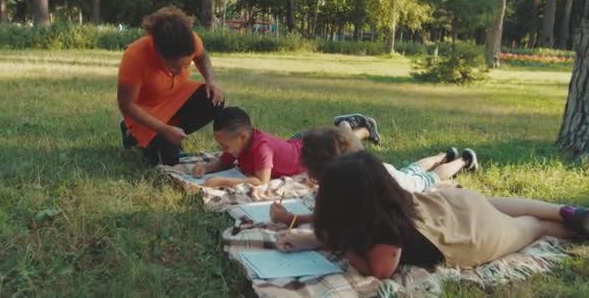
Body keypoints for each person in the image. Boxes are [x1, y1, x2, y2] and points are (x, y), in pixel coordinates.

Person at [276, 151, 589, 279]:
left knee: (529, 228)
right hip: (453, 207)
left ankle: (570, 228)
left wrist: (336, 245)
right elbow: (341, 232)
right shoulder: (389, 202)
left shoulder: (383, 232)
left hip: (468, 238)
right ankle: (565, 212)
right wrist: (310, 240)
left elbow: (380, 271)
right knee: (492, 202)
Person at [269, 127, 477, 226]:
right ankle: (444, 155)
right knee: (413, 168)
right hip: (387, 171)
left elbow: (331, 220)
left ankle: (463, 161)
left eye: (315, 177)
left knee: (428, 178)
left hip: (401, 184)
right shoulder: (353, 171)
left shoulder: (352, 188)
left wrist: (290, 219)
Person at [117, 6, 224, 166]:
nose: (181, 71)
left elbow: (202, 57)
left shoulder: (191, 41)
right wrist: (163, 130)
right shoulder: (135, 57)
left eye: (186, 65)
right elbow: (127, 105)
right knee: (167, 160)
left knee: (214, 100)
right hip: (144, 111)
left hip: (175, 98)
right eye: (174, 68)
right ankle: (131, 133)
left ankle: (172, 130)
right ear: (158, 53)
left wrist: (211, 80)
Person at [190, 108, 380, 188]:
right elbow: (223, 161)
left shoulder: (261, 147)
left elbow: (261, 182)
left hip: (307, 151)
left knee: (344, 149)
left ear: (243, 136)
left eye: (225, 146)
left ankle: (349, 126)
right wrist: (205, 168)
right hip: (293, 144)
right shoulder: (238, 145)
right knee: (342, 144)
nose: (224, 150)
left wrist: (221, 182)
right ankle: (360, 129)